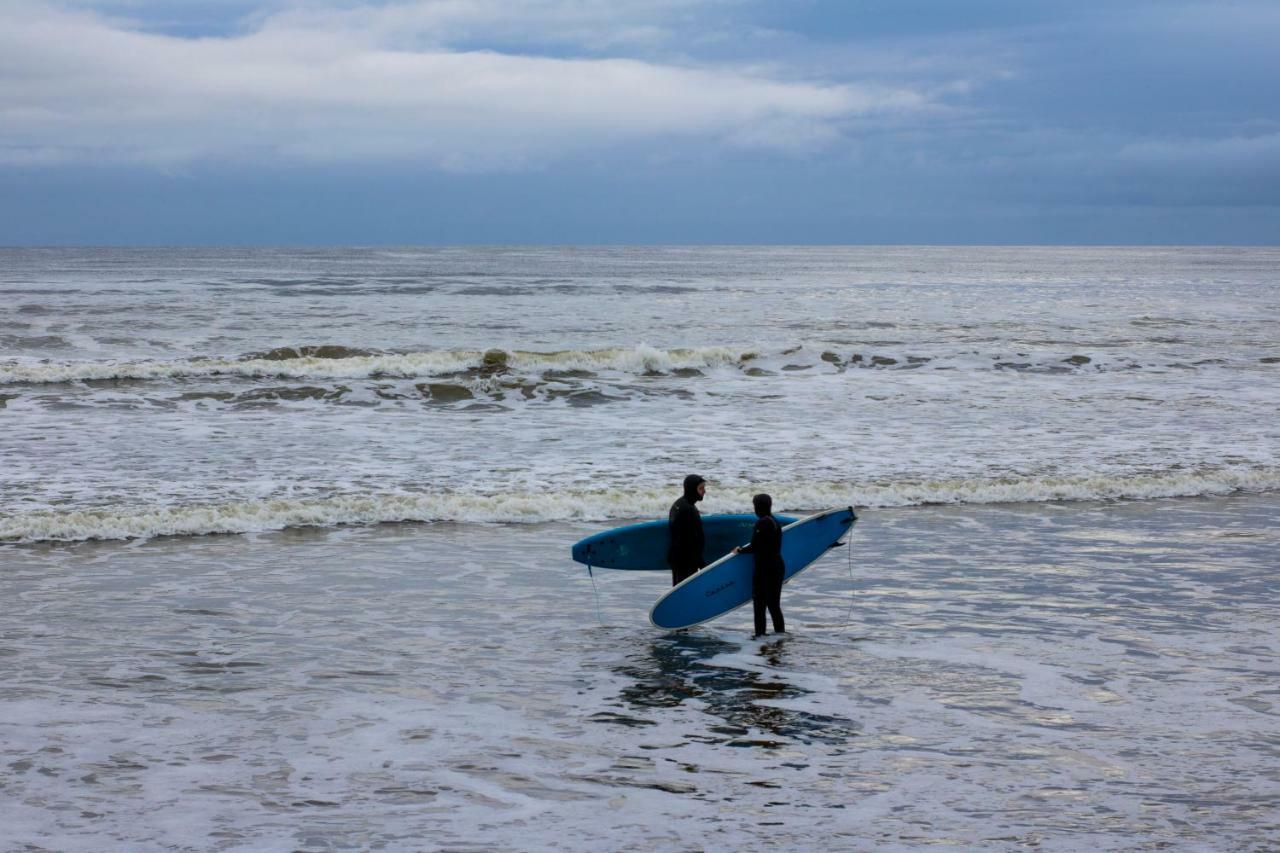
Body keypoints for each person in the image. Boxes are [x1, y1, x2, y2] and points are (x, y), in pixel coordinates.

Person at [733, 493, 785, 639]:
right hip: (777, 566)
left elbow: (756, 546)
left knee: (760, 604)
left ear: (758, 507)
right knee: (774, 605)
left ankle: (759, 636)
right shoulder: (775, 521)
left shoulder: (762, 522)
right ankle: (780, 635)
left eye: (755, 505)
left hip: (765, 569)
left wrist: (740, 550)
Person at [667, 474, 706, 586]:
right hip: (686, 560)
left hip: (678, 558)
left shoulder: (678, 504)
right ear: (692, 489)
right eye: (701, 488)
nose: (704, 491)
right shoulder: (689, 510)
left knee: (679, 591)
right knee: (685, 593)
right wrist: (701, 562)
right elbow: (691, 539)